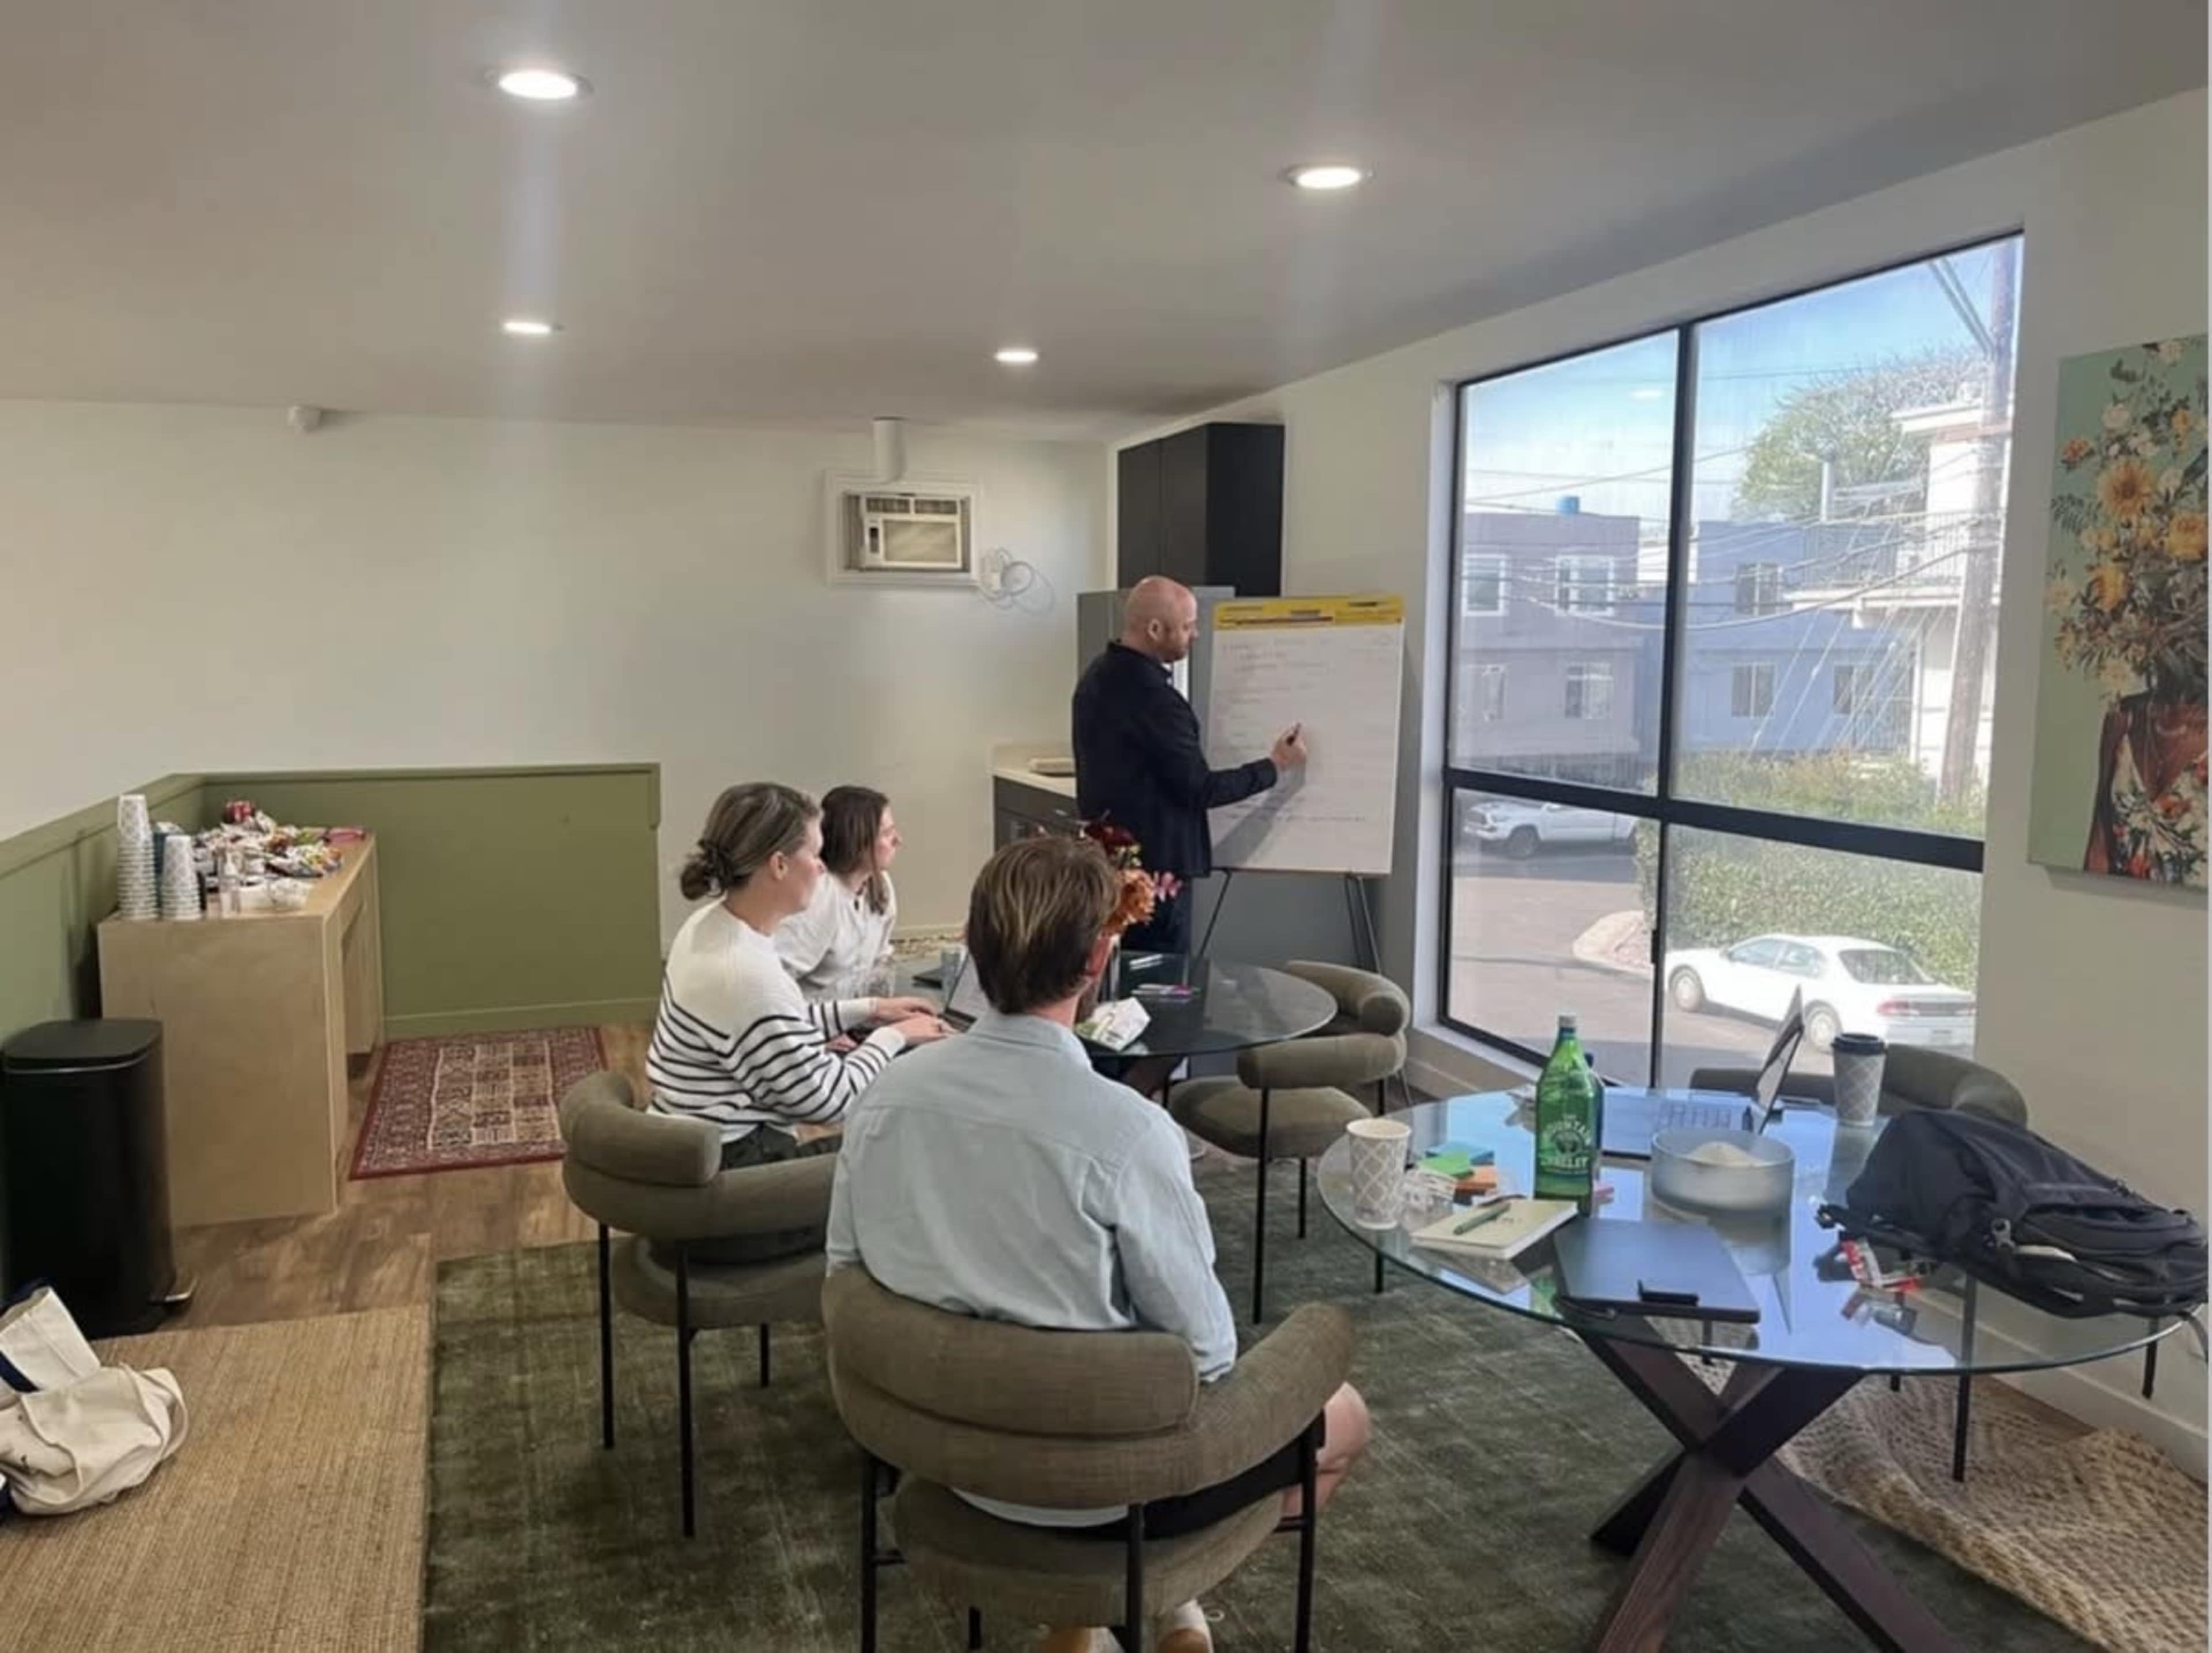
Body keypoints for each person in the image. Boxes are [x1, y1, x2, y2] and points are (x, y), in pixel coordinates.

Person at [827, 835, 1369, 1653]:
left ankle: (1093, 1623)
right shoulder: (1128, 1133)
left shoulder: (882, 1102)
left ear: (970, 950)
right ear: (1100, 956)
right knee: (1347, 1417)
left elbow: (846, 1272)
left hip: (939, 1454)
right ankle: (1165, 1597)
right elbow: (1209, 1350)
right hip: (1112, 1488)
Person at [649, 782, 945, 1260]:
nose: (824, 867)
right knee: (913, 1160)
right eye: (816, 853)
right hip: (730, 1195)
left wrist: (868, 1010)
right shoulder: (746, 972)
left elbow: (774, 1024)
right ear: (779, 865)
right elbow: (828, 1100)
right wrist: (893, 1038)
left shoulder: (710, 927)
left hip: (694, 1166)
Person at [1071, 575, 1306, 955]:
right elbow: (1200, 788)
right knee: (1158, 980)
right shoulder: (1156, 700)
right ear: (1154, 629)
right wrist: (1275, 765)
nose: (1195, 635)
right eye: (1187, 626)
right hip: (1156, 873)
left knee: (1114, 971)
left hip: (1109, 861)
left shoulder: (1096, 677)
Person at [776, 785, 902, 997]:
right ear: (858, 839)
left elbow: (880, 963)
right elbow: (776, 986)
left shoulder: (881, 885)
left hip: (853, 1019)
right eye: (887, 833)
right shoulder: (820, 894)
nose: (898, 840)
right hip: (809, 1023)